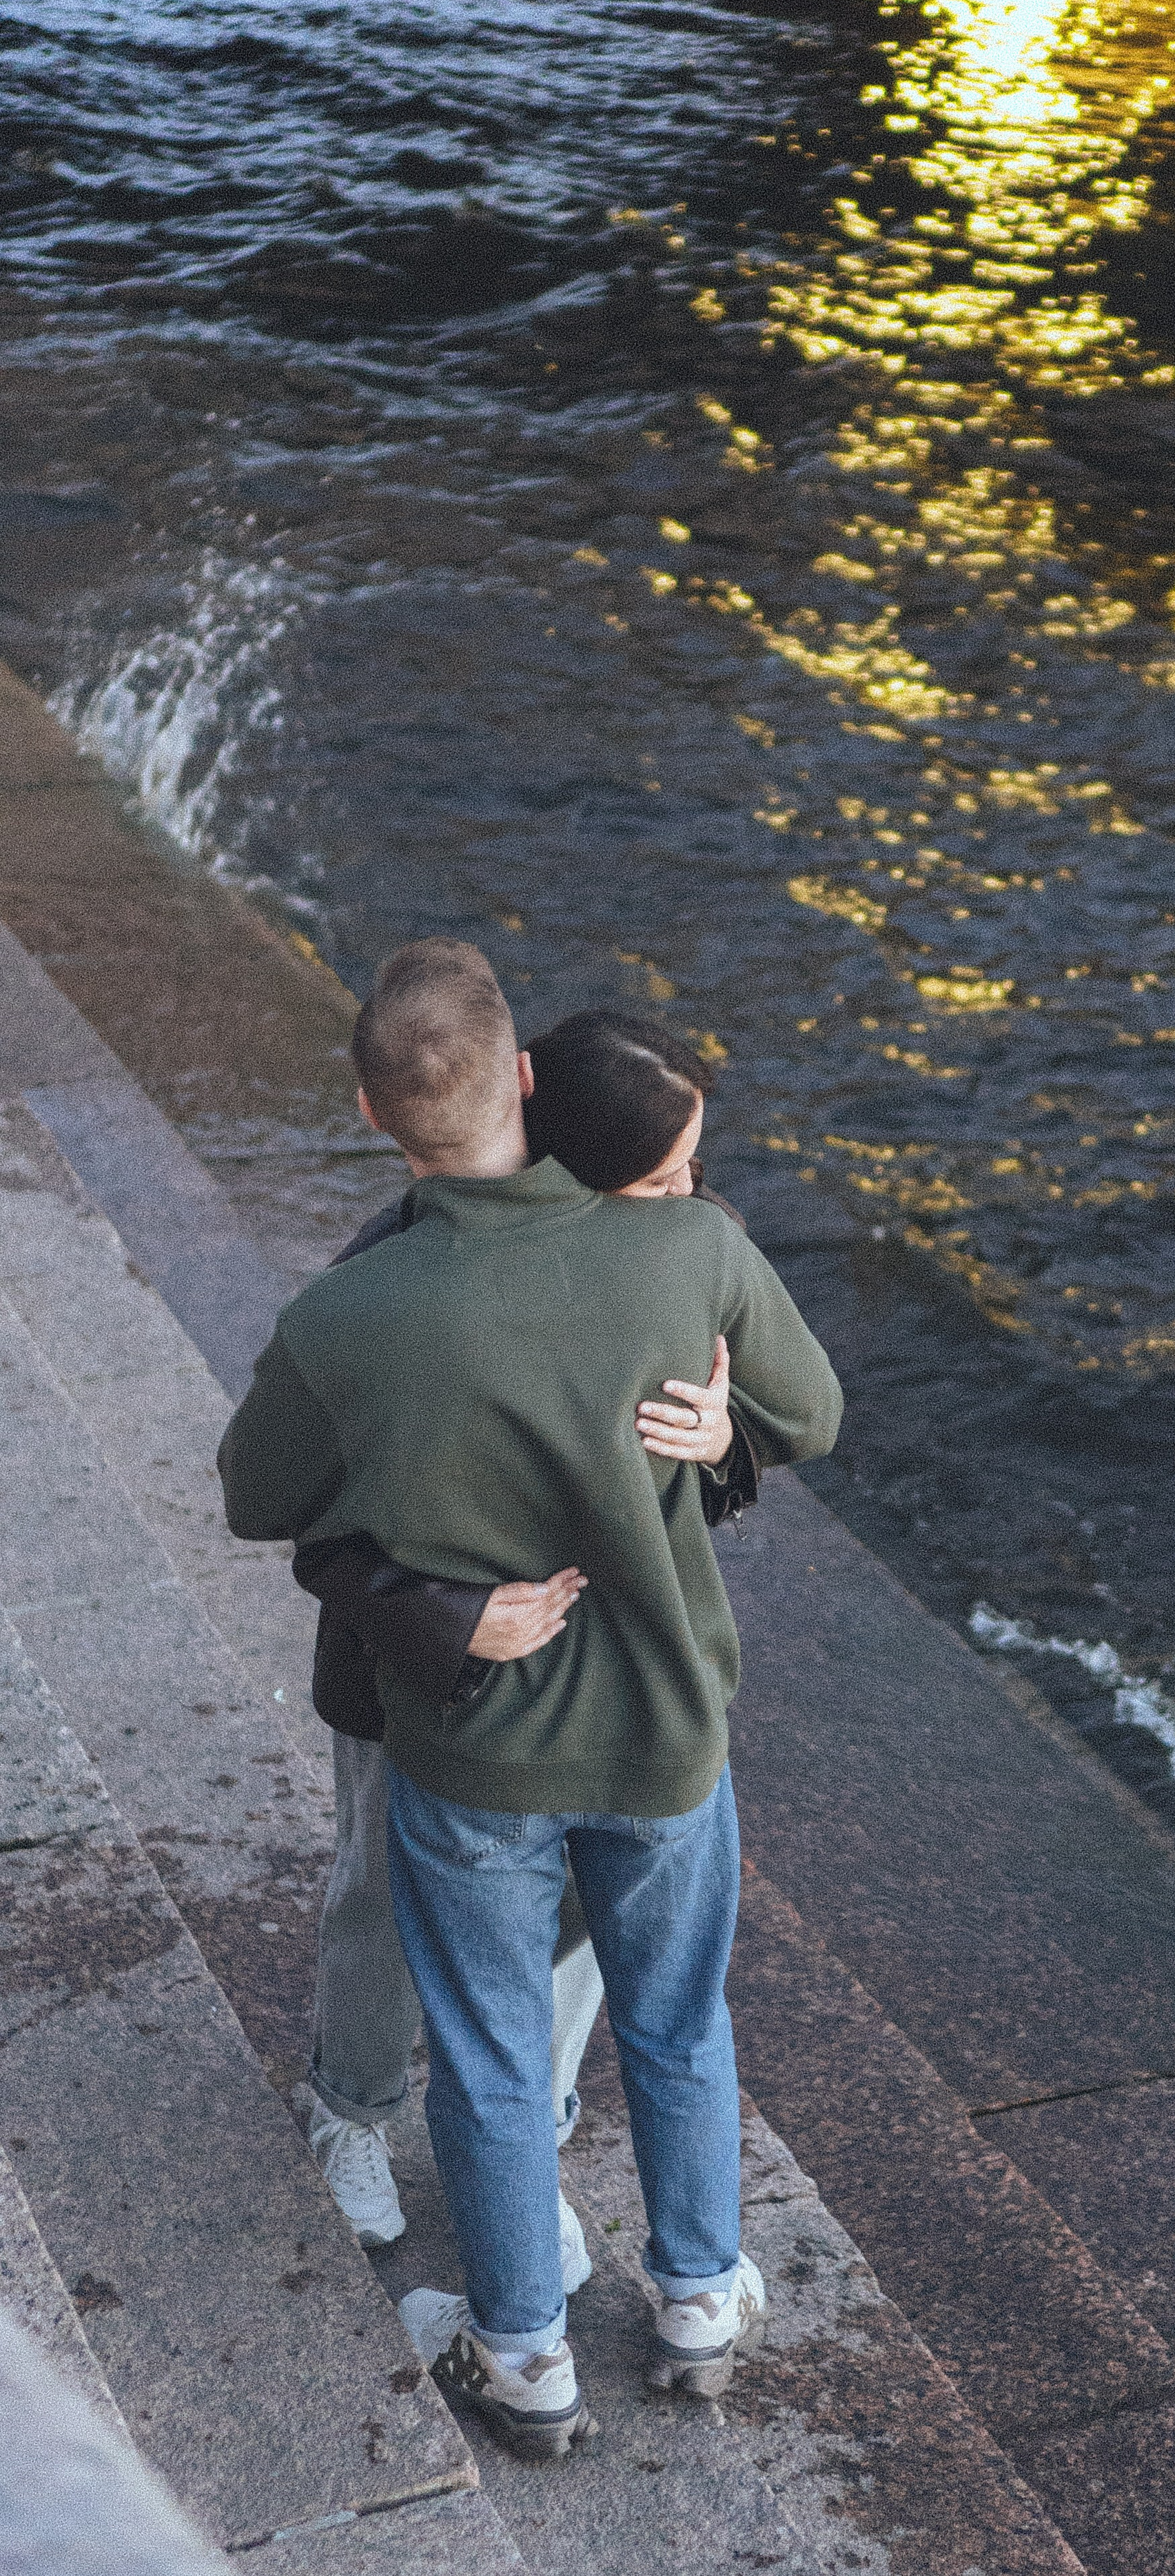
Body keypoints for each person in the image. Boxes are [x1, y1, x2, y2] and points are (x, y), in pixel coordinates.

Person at [218, 942, 841, 2460]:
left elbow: (257, 1497)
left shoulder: (347, 1314)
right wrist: (715, 1434)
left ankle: (523, 2364)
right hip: (662, 1736)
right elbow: (813, 1411)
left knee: (493, 2057)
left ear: (374, 1111)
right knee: (678, 2025)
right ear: (524, 1080)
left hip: (475, 1749)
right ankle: (698, 2301)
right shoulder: (688, 1252)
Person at [292, 1012, 762, 2273]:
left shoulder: (671, 1249)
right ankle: (352, 2109)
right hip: (425, 1682)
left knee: (566, 1931)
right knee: (382, 1904)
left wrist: (723, 1439)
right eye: (662, 1179)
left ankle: (521, 2147)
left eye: (691, 1180)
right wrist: (447, 1616)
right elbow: (297, 1504)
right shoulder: (391, 1269)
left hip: (609, 1673)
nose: (688, 1202)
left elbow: (766, 1408)